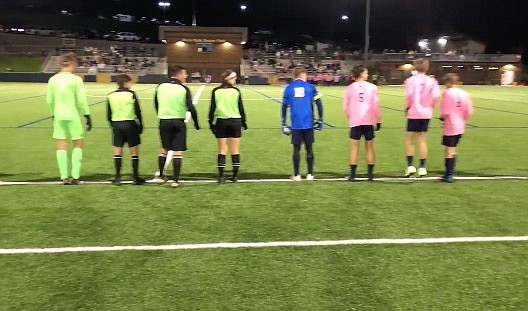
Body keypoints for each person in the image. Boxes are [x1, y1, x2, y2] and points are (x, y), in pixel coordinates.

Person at [47, 53, 92, 185]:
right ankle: (75, 176)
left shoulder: (52, 80)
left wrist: (53, 114)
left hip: (58, 115)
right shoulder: (76, 79)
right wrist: (87, 114)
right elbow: (81, 100)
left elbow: (49, 100)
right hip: (72, 115)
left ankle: (64, 177)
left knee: (61, 145)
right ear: (71, 64)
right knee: (78, 144)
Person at [154, 65, 200, 188]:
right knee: (177, 152)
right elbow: (191, 107)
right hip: (178, 122)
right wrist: (196, 122)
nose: (186, 76)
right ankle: (175, 180)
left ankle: (161, 176)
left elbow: (156, 103)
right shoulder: (183, 89)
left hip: (164, 121)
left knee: (164, 149)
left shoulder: (160, 87)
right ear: (179, 74)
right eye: (184, 73)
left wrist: (162, 113)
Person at [281, 67, 323, 181]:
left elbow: (284, 107)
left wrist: (283, 123)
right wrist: (320, 119)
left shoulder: (288, 88)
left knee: (296, 149)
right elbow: (319, 103)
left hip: (296, 124)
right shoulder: (310, 87)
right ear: (303, 75)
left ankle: (297, 175)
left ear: (294, 75)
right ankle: (310, 174)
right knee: (309, 149)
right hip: (308, 123)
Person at [343, 65, 381, 181]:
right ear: (361, 74)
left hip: (355, 121)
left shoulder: (349, 88)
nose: (367, 75)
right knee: (369, 147)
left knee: (354, 148)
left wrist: (351, 117)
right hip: (368, 121)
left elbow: (345, 107)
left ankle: (353, 175)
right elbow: (376, 105)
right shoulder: (372, 87)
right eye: (366, 73)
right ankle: (370, 174)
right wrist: (378, 120)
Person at [208, 70, 247, 183]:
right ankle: (235, 176)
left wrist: (210, 122)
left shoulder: (216, 91)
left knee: (222, 150)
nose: (235, 80)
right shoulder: (236, 91)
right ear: (228, 79)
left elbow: (212, 109)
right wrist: (244, 121)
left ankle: (221, 176)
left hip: (221, 122)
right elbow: (241, 108)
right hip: (236, 122)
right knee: (235, 150)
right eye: (234, 78)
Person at [404, 58, 440, 177]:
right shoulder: (432, 81)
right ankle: (422, 167)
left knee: (410, 139)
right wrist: (430, 108)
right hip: (426, 113)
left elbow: (409, 96)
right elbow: (435, 97)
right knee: (422, 139)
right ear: (427, 68)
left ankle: (410, 166)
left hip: (414, 112)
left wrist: (408, 107)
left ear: (415, 67)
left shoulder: (410, 80)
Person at [106, 74, 145, 185]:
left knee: (118, 152)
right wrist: (141, 124)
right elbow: (137, 111)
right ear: (125, 83)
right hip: (130, 124)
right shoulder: (131, 94)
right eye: (130, 82)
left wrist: (112, 124)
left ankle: (118, 177)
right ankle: (135, 177)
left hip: (117, 125)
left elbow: (108, 113)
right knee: (134, 152)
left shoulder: (111, 95)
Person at [439, 73, 473, 183]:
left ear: (449, 82)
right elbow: (468, 111)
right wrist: (462, 119)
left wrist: (443, 118)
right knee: (452, 148)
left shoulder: (447, 93)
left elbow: (445, 111)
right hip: (460, 125)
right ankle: (450, 171)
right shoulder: (464, 93)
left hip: (450, 125)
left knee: (449, 149)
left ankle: (449, 174)